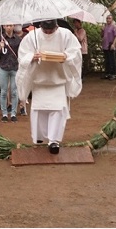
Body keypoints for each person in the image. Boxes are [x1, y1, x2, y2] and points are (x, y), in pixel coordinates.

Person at [16, 19, 82, 154]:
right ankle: (39, 136)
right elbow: (23, 54)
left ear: (56, 27)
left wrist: (66, 56)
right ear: (40, 27)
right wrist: (31, 57)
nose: (48, 32)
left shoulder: (65, 34)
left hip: (57, 81)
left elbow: (75, 52)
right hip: (40, 81)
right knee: (39, 110)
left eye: (51, 30)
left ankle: (53, 141)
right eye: (45, 30)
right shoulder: (32, 36)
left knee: (57, 111)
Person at [0, 24, 22, 122]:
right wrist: (0, 48)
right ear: (4, 27)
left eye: (10, 25)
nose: (9, 27)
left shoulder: (18, 39)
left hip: (15, 67)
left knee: (14, 91)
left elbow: (21, 53)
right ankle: (5, 114)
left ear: (13, 26)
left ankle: (14, 113)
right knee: (4, 91)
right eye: (7, 25)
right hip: (3, 67)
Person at [101, 15, 116, 80]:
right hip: (105, 45)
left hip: (111, 45)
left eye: (109, 18)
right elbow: (102, 36)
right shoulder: (105, 27)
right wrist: (102, 30)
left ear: (112, 19)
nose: (108, 20)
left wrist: (113, 44)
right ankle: (107, 73)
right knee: (107, 60)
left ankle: (114, 74)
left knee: (112, 60)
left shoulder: (114, 26)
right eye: (107, 18)